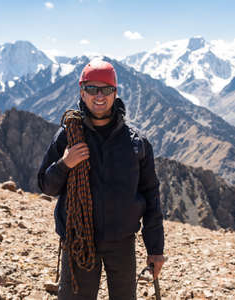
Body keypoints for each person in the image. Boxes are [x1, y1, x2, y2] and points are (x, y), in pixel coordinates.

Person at [37, 60, 165, 299]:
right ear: (82, 91)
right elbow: (46, 185)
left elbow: (151, 196)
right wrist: (65, 164)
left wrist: (155, 249)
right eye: (92, 88)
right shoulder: (68, 137)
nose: (99, 96)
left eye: (106, 89)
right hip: (79, 241)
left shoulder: (136, 143)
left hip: (122, 242)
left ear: (115, 93)